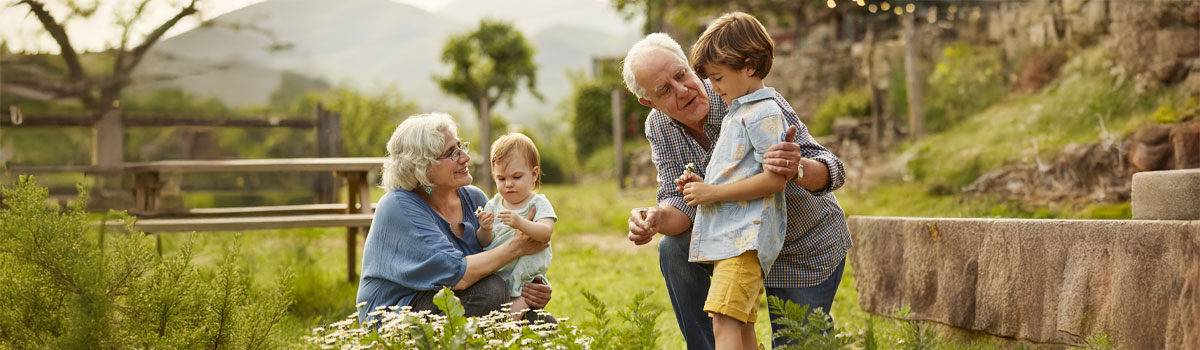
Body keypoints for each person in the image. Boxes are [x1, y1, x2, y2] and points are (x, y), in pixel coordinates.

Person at [622, 30, 852, 349]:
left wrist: (796, 167)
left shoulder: (746, 93)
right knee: (673, 249)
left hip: (799, 245)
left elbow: (831, 167)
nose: (683, 90)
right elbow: (682, 203)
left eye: (681, 75)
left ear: (689, 66)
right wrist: (656, 218)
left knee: (798, 343)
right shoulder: (658, 126)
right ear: (649, 101)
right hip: (737, 244)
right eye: (665, 89)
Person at [355, 113, 553, 325]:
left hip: (458, 299)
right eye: (452, 153)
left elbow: (494, 258)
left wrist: (531, 286)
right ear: (421, 167)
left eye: (461, 147)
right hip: (399, 312)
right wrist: (519, 246)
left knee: (544, 324)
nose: (465, 157)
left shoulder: (474, 198)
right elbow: (458, 275)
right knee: (492, 291)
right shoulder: (397, 206)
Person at [673, 12, 791, 349]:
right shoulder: (739, 110)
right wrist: (700, 183)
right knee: (739, 326)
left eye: (719, 77)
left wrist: (713, 192)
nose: (713, 87)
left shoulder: (764, 112)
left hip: (747, 239)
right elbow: (742, 170)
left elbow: (775, 180)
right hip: (734, 239)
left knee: (724, 321)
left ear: (750, 67)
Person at [479, 133, 558, 321]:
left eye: (516, 176)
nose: (508, 184)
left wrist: (521, 223)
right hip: (499, 271)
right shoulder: (493, 204)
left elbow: (545, 233)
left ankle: (505, 333)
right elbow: (483, 242)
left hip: (526, 276)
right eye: (501, 178)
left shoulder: (538, 203)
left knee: (512, 315)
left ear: (534, 174)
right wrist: (485, 229)